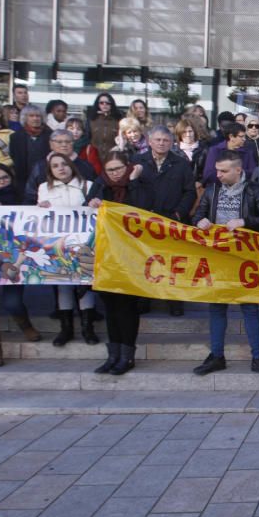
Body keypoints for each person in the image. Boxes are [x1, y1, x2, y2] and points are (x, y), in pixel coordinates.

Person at [192, 150, 259, 378]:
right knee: (217, 307)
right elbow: (196, 216)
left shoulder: (255, 191)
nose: (217, 174)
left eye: (223, 170)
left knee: (250, 308)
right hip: (217, 259)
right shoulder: (211, 191)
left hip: (245, 260)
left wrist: (245, 222)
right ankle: (216, 356)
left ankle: (258, 357)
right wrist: (199, 221)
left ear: (238, 170)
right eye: (217, 170)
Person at [86, 151, 153, 374]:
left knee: (126, 307)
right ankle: (113, 354)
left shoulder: (140, 183)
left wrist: (132, 182)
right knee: (110, 306)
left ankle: (127, 355)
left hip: (131, 255)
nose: (115, 174)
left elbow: (142, 209)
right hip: (106, 256)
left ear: (128, 167)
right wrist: (92, 203)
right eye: (110, 170)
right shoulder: (100, 185)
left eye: (119, 169)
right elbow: (87, 213)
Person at [0, 164, 42, 366]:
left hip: (13, 259)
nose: (1, 181)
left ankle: (25, 326)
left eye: (5, 177)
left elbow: (34, 220)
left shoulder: (21, 198)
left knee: (12, 302)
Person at [37, 152, 98, 346]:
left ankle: (88, 329)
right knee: (63, 284)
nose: (61, 168)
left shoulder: (87, 185)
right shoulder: (43, 188)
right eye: (55, 166)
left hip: (83, 244)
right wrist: (40, 207)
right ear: (50, 170)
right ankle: (66, 329)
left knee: (85, 283)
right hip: (58, 245)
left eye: (64, 164)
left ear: (71, 165)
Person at [135, 126, 197, 316]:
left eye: (165, 140)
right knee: (145, 259)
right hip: (145, 221)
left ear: (171, 142)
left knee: (173, 262)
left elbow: (190, 192)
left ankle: (174, 301)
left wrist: (179, 214)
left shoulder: (181, 163)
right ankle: (143, 299)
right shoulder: (138, 162)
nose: (161, 143)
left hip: (172, 220)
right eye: (158, 140)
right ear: (150, 141)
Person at [24, 129, 97, 204]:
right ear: (51, 144)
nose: (64, 145)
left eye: (68, 142)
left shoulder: (85, 166)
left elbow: (96, 193)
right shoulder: (40, 167)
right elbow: (30, 195)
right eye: (59, 142)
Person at [9, 105, 52, 193]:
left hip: (46, 177)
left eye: (38, 116)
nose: (35, 118)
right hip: (23, 179)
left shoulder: (51, 135)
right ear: (25, 118)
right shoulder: (15, 137)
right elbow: (14, 157)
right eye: (31, 116)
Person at [87, 92, 123, 160]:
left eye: (107, 103)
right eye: (101, 103)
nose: (104, 105)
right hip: (95, 158)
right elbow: (87, 138)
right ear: (98, 104)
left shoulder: (118, 120)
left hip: (113, 157)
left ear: (111, 104)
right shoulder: (92, 120)